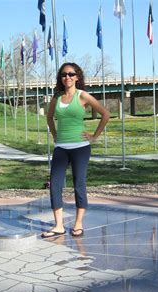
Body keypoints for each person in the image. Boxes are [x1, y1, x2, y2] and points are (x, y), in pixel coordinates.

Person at [41, 62, 110, 238]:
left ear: (77, 77)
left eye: (71, 74)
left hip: (80, 148)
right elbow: (49, 118)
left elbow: (105, 114)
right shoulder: (56, 98)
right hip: (61, 148)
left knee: (79, 184)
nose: (67, 77)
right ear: (61, 78)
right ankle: (58, 225)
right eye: (64, 75)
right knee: (55, 184)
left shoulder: (83, 96)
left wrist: (94, 136)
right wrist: (55, 135)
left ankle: (78, 224)